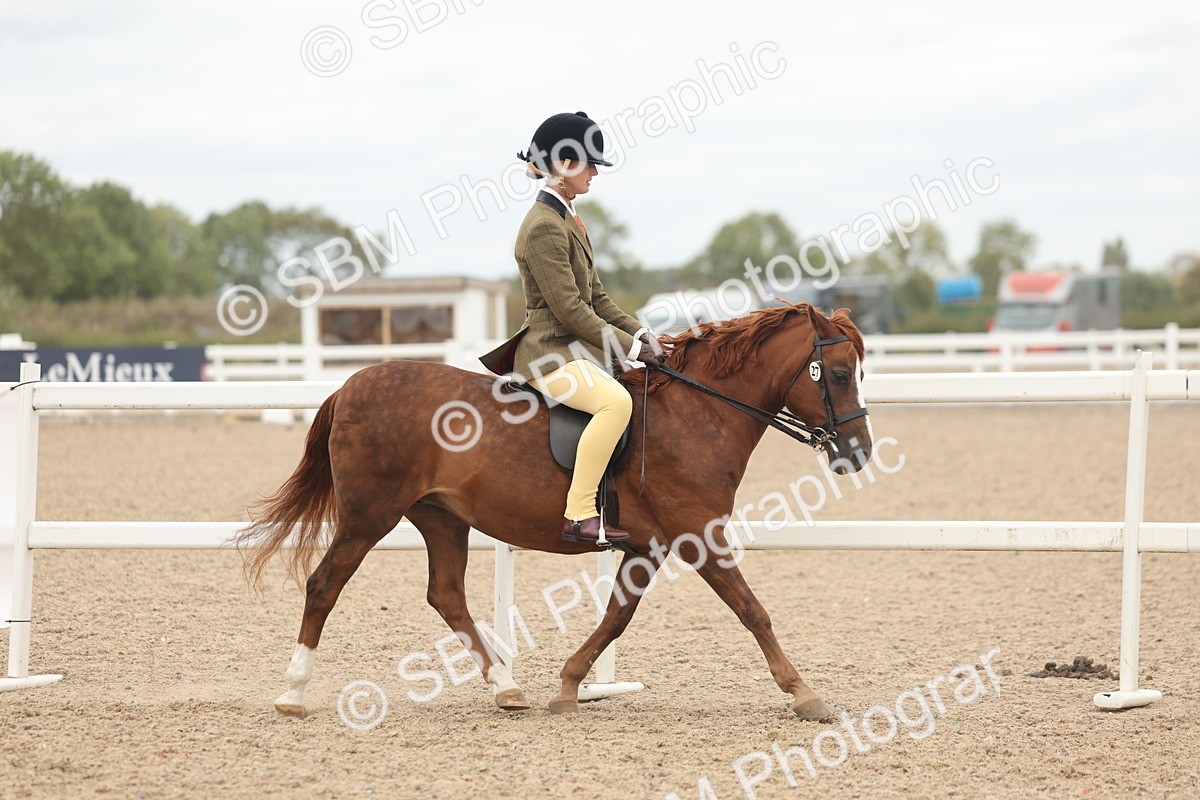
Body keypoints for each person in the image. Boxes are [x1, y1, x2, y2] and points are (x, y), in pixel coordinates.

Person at [480, 111, 664, 544]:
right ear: (562, 164)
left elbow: (597, 298)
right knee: (615, 404)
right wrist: (630, 351)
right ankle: (580, 513)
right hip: (550, 353)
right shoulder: (543, 226)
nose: (596, 172)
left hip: (575, 350)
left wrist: (641, 335)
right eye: (588, 163)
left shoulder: (568, 220)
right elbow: (568, 310)